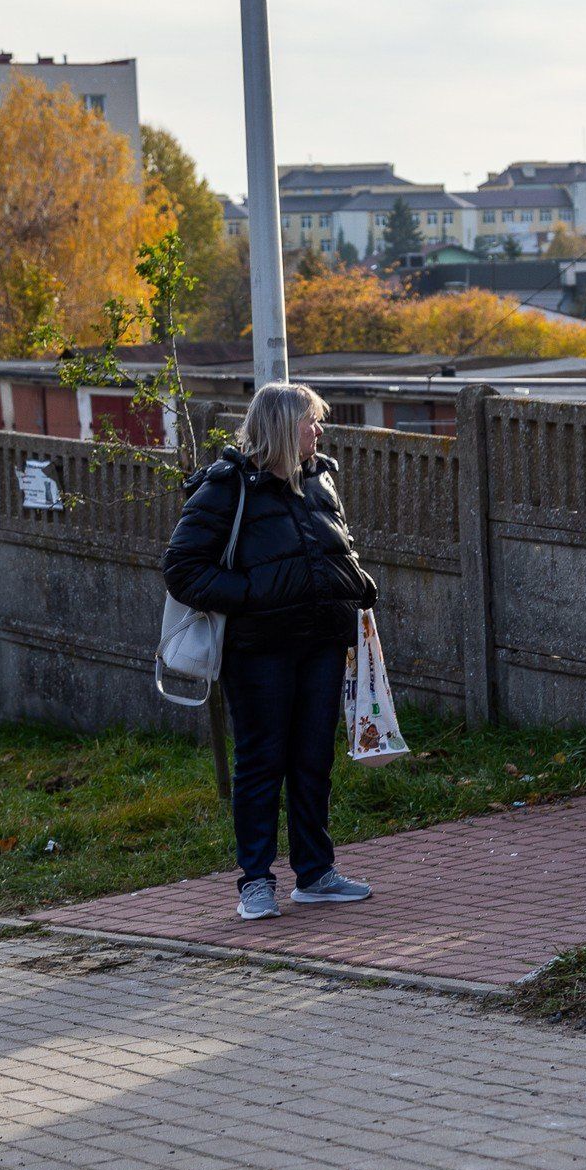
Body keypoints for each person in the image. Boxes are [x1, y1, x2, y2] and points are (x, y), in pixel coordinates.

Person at [164, 384, 379, 920]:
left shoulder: (320, 480)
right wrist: (252, 597)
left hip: (322, 644)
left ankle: (315, 874)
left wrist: (355, 583)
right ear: (284, 426)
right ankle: (255, 881)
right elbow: (182, 569)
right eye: (312, 422)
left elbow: (332, 547)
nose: (320, 431)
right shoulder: (225, 487)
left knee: (313, 760)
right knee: (262, 763)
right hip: (260, 652)